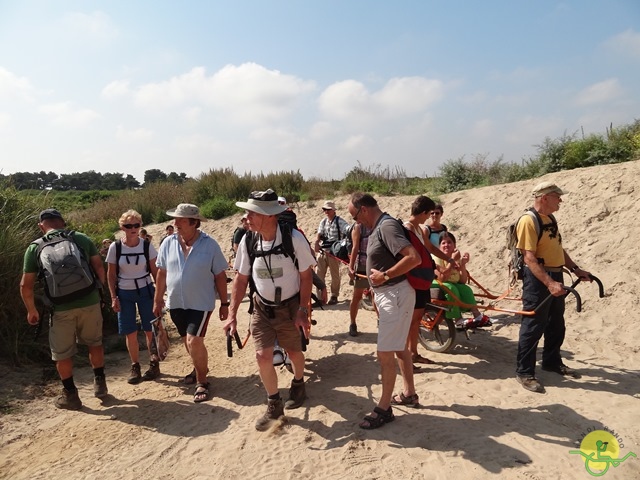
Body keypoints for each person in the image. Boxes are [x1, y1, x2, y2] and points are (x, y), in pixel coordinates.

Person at [224, 189, 315, 431]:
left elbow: (306, 277)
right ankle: (274, 403)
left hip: (290, 307)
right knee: (262, 355)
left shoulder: (293, 238)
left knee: (294, 353)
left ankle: (298, 383)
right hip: (261, 307)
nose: (247, 217)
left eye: (252, 213)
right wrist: (232, 314)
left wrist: (303, 311)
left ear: (269, 215)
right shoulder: (248, 240)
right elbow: (240, 279)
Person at [20, 208, 108, 410]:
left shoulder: (35, 248)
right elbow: (99, 267)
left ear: (41, 226)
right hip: (90, 301)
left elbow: (25, 286)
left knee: (62, 354)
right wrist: (99, 293)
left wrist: (31, 310)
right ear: (62, 222)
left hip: (60, 309)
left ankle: (70, 395)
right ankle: (100, 383)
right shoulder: (80, 238)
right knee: (94, 343)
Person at [348, 193, 421, 429]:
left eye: (355, 216)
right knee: (399, 348)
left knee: (385, 354)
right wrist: (376, 284)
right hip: (391, 294)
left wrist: (385, 276)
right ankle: (409, 393)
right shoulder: (380, 226)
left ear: (364, 210)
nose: (356, 222)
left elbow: (414, 258)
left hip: (395, 295)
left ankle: (384, 408)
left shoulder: (386, 227)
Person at [515, 181, 591, 393]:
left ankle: (551, 361)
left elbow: (558, 248)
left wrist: (576, 269)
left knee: (556, 322)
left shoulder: (550, 218)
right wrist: (549, 283)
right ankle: (524, 372)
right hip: (539, 278)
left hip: (556, 274)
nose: (561, 200)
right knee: (533, 325)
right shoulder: (528, 221)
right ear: (544, 197)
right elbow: (529, 258)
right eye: (558, 196)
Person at [153, 203, 229, 403]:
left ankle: (202, 382)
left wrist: (224, 303)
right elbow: (161, 273)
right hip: (176, 302)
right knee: (188, 341)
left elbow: (220, 275)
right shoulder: (168, 243)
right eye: (175, 219)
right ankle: (199, 369)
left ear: (194, 222)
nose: (175, 223)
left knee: (193, 340)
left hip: (201, 302)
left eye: (180, 219)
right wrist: (157, 299)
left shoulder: (209, 244)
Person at [106, 210, 160, 385]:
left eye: (136, 225)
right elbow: (111, 275)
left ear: (140, 226)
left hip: (145, 290)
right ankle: (135, 365)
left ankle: (153, 363)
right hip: (124, 292)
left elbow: (156, 272)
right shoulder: (116, 247)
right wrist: (113, 297)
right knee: (130, 332)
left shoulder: (146, 246)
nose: (133, 229)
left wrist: (159, 296)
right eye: (129, 226)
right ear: (122, 227)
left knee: (149, 329)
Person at [404, 196, 456, 368]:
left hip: (422, 279)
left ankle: (414, 353)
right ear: (424, 212)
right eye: (429, 214)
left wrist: (449, 259)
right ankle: (407, 360)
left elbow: (431, 248)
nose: (430, 218)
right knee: (410, 321)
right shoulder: (407, 229)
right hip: (412, 280)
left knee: (416, 319)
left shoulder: (418, 229)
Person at [433, 231, 491, 329]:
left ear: (454, 245)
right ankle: (458, 320)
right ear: (439, 246)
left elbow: (462, 281)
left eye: (449, 242)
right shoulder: (436, 258)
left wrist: (463, 264)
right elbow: (442, 278)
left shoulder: (455, 258)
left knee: (466, 289)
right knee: (452, 289)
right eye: (443, 243)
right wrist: (451, 262)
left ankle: (477, 315)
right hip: (437, 283)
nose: (446, 245)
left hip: (450, 283)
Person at [314, 201, 349, 305]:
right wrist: (317, 242)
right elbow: (319, 234)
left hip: (334, 252)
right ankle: (320, 298)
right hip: (323, 251)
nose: (326, 212)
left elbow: (348, 230)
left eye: (328, 209)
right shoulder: (323, 222)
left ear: (334, 210)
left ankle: (334, 296)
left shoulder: (340, 221)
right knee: (319, 275)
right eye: (324, 209)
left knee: (335, 276)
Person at [347, 222, 371, 336]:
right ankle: (352, 323)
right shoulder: (359, 227)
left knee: (377, 297)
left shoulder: (377, 224)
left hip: (375, 265)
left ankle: (382, 322)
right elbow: (355, 247)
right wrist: (351, 267)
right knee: (357, 296)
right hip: (362, 265)